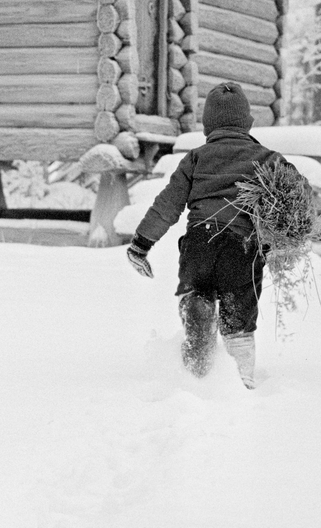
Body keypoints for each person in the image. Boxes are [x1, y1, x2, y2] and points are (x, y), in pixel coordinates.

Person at [125, 81, 295, 389]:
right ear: (248, 122)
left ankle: (197, 326)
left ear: (207, 125)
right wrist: (283, 237)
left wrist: (141, 244)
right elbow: (295, 196)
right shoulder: (267, 159)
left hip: (199, 244)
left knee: (196, 292)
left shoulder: (195, 159)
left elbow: (167, 205)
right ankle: (240, 380)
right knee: (238, 319)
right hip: (241, 249)